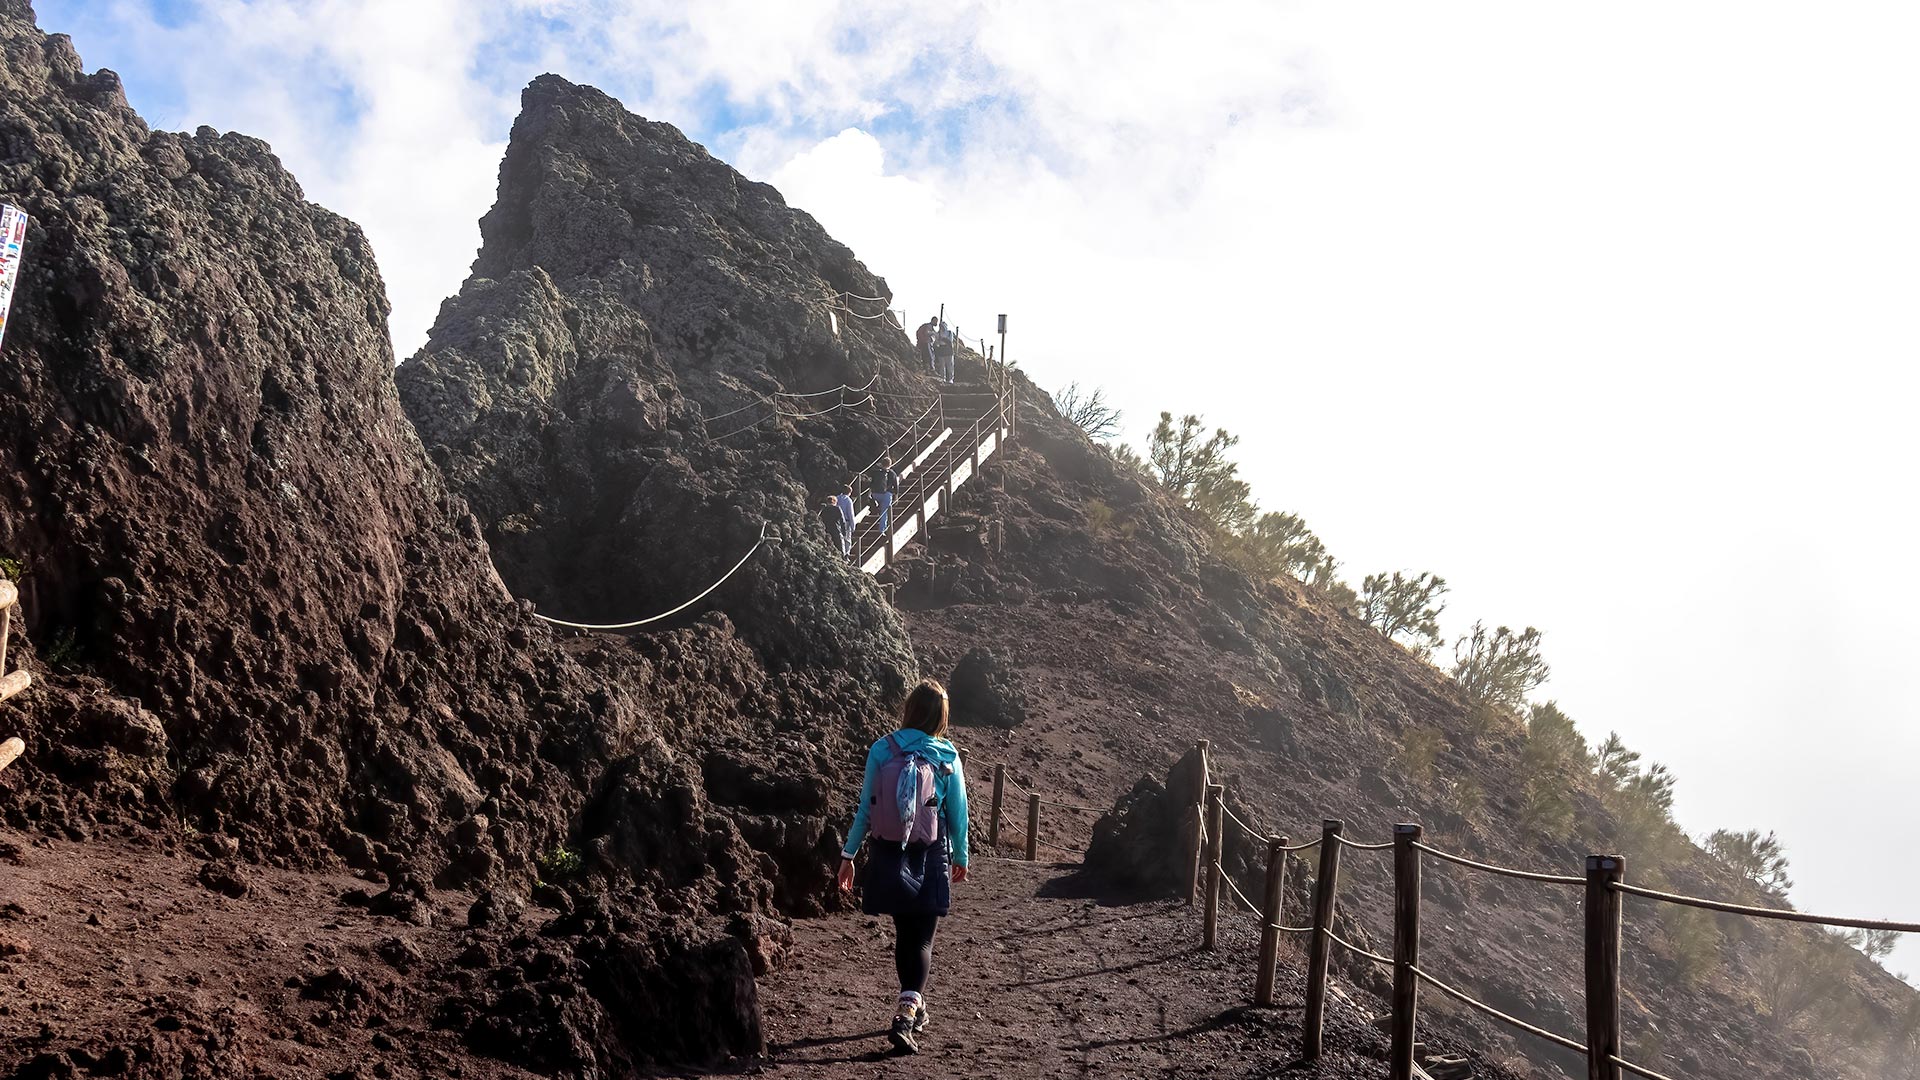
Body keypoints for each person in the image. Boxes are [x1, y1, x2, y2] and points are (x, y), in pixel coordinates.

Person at [837, 680, 969, 1055]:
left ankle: (913, 1004)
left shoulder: (882, 748)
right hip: (929, 853)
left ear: (908, 709)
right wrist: (961, 855)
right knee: (922, 938)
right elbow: (958, 813)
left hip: (887, 851)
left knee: (904, 935)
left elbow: (865, 807)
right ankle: (907, 1012)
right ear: (942, 715)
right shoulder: (946, 754)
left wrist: (848, 857)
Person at [873, 456, 899, 537]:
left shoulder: (877, 472)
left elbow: (872, 483)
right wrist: (896, 496)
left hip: (875, 494)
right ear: (890, 464)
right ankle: (881, 530)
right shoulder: (892, 473)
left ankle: (875, 506)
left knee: (880, 509)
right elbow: (896, 486)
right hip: (886, 495)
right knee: (884, 512)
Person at [836, 483, 855, 560]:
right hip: (846, 521)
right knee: (847, 539)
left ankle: (840, 552)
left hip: (837, 521)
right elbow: (850, 513)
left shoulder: (837, 498)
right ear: (849, 492)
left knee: (840, 537)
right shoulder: (848, 500)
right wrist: (853, 526)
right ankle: (846, 554)